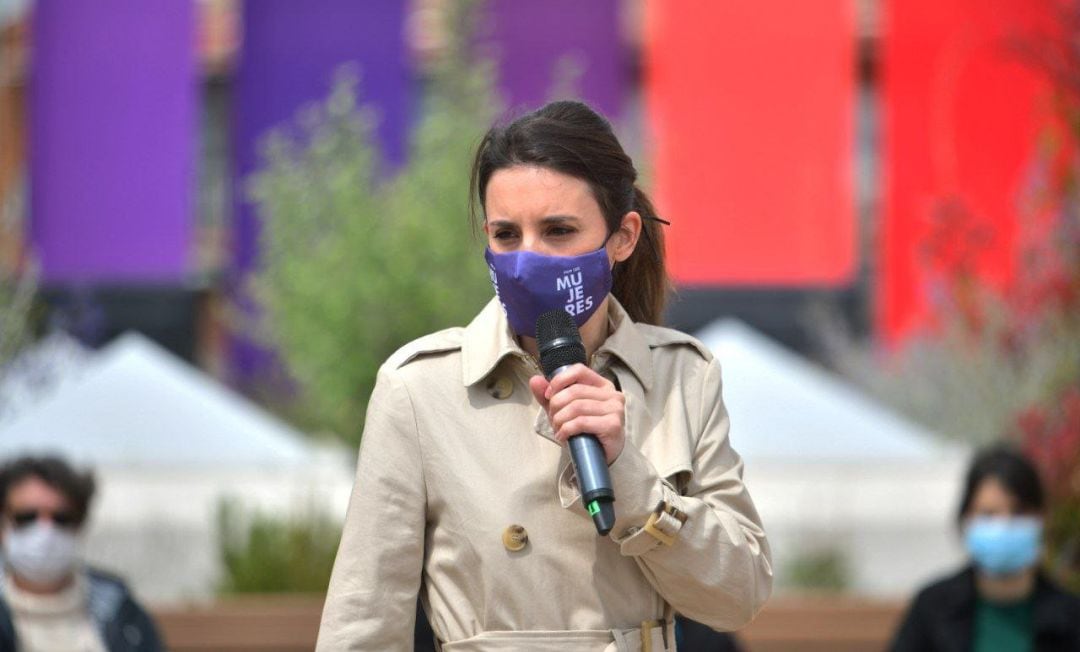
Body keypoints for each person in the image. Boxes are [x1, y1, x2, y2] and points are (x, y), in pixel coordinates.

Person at [317, 100, 772, 651]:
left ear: (623, 237)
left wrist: (631, 478)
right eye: (507, 235)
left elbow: (736, 597)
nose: (528, 259)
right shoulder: (419, 388)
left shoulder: (682, 376)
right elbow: (363, 622)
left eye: (558, 230)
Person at [890, 445, 1080, 651]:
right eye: (988, 514)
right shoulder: (931, 609)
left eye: (1018, 512)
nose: (1004, 525)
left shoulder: (1071, 617)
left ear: (1043, 518)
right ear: (965, 520)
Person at [0, 455, 162, 652]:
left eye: (61, 518)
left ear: (79, 525)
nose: (45, 533)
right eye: (26, 518)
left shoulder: (120, 609)